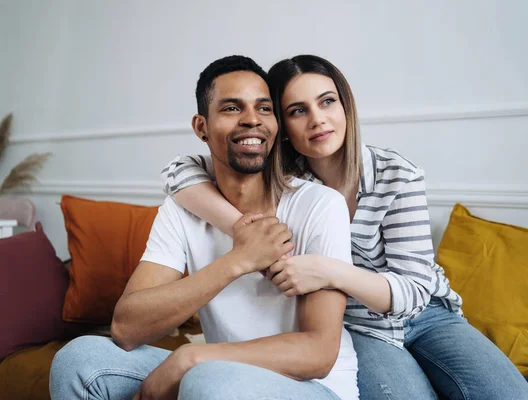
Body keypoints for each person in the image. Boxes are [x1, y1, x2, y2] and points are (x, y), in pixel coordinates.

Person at [160, 54, 528, 399]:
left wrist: (328, 271)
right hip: (357, 326)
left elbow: (415, 291)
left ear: (346, 106)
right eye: (297, 110)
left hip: (426, 314)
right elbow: (177, 172)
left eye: (327, 102)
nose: (318, 119)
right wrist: (243, 228)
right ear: (282, 126)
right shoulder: (281, 179)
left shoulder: (396, 174)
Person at [49, 55, 359, 400]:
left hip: (314, 389)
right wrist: (237, 261)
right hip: (221, 374)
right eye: (231, 108)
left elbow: (318, 352)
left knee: (208, 382)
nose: (252, 120)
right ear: (201, 127)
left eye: (264, 108)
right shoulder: (183, 208)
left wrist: (192, 356)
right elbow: (125, 328)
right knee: (79, 361)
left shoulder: (318, 205)